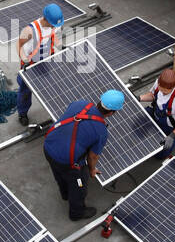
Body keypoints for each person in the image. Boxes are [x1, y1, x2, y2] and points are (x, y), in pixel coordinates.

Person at [43, 89, 123, 221]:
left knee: (58, 173)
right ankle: (77, 213)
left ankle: (65, 194)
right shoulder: (101, 131)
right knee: (79, 187)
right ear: (112, 112)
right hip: (67, 163)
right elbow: (92, 157)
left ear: (100, 100)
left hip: (48, 147)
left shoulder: (80, 104)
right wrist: (91, 170)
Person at [15, 3, 64, 125]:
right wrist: (24, 58)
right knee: (25, 91)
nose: (55, 26)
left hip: (46, 61)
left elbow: (54, 36)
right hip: (30, 65)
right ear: (46, 19)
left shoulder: (54, 25)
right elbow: (19, 44)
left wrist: (60, 46)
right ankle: (22, 113)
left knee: (49, 85)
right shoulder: (30, 30)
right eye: (53, 24)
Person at [140, 68, 175, 158]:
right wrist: (139, 98)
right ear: (159, 83)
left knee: (159, 154)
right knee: (139, 117)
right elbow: (152, 95)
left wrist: (172, 136)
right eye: (161, 89)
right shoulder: (158, 83)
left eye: (167, 90)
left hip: (171, 127)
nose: (163, 92)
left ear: (174, 85)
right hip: (157, 115)